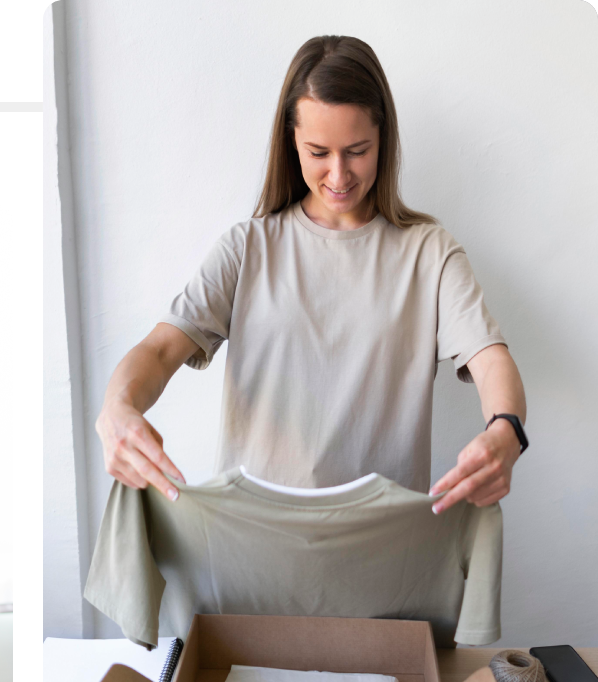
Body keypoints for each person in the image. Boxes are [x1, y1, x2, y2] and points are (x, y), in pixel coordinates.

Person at [95, 35, 527, 515]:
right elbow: (158, 350)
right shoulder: (247, 248)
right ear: (291, 143)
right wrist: (117, 409)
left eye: (357, 150)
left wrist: (505, 430)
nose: (339, 175)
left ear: (384, 138)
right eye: (318, 152)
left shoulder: (429, 253)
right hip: (255, 549)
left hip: (381, 552)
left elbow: (490, 360)